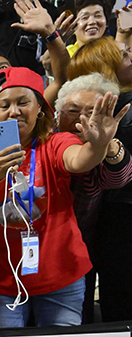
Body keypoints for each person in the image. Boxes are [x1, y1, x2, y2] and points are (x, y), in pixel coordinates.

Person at [0, 67, 127, 329]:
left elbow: (78, 161)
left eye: (23, 102)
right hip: (4, 283)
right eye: (5, 105)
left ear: (40, 108)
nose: (14, 111)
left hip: (61, 277)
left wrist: (99, 145)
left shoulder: (55, 142)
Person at [55, 73, 132, 322]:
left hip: (80, 252)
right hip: (37, 249)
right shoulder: (44, 141)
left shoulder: (102, 149)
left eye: (92, 111)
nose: (82, 119)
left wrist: (107, 145)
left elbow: (117, 179)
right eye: (73, 110)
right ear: (57, 115)